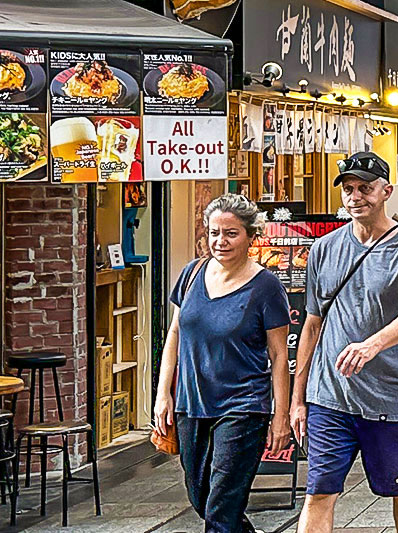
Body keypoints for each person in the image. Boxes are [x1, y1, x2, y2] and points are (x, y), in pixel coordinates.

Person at [294, 152, 398, 533]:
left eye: (366, 188)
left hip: (392, 397)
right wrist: (298, 398)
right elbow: (312, 326)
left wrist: (371, 345)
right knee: (318, 493)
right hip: (330, 396)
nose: (356, 196)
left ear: (386, 191)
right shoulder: (325, 249)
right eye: (348, 189)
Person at [153, 195, 295, 533]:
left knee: (222, 506)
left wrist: (281, 417)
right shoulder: (192, 274)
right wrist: (163, 394)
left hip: (243, 407)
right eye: (214, 232)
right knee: (201, 497)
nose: (221, 241)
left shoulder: (267, 288)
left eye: (231, 233)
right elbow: (174, 334)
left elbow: (278, 356)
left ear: (250, 236)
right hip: (192, 403)